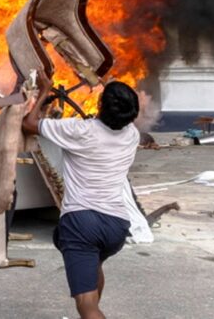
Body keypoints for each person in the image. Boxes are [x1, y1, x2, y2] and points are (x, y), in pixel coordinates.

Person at [22, 81, 140, 319]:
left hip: (82, 223)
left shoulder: (80, 131)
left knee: (86, 305)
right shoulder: (132, 135)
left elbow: (28, 124)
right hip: (117, 225)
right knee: (94, 268)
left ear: (100, 105)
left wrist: (43, 91)